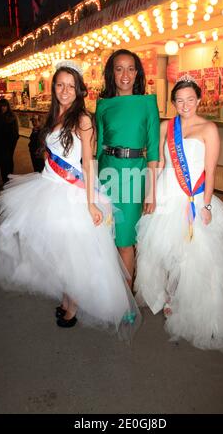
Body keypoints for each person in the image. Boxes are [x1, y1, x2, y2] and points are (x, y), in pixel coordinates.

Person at [0, 61, 140, 339]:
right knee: (59, 252)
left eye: (70, 86)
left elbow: (89, 164)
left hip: (72, 193)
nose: (65, 90)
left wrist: (91, 202)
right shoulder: (53, 116)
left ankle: (73, 307)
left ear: (79, 90)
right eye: (60, 85)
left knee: (74, 256)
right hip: (48, 188)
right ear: (54, 87)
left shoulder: (83, 119)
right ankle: (67, 300)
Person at [134, 76, 223, 355]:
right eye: (179, 100)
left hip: (193, 198)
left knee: (194, 256)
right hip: (167, 194)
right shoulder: (165, 127)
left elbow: (211, 171)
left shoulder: (209, 128)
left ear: (198, 99)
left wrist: (205, 205)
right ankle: (170, 296)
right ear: (173, 102)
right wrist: (151, 194)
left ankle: (193, 305)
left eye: (190, 99)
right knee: (163, 251)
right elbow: (156, 163)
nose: (185, 105)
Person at [96, 49, 160, 287]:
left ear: (137, 73)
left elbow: (153, 151)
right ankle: (109, 291)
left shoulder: (147, 103)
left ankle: (125, 299)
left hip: (134, 175)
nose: (125, 74)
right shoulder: (103, 105)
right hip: (106, 173)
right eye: (119, 68)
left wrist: (151, 191)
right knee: (104, 236)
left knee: (125, 239)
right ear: (111, 73)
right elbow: (97, 149)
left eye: (131, 68)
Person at [0, 98, 19, 183]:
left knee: (9, 158)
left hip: (10, 141)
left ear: (7, 106)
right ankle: (5, 177)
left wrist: (13, 140)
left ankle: (10, 176)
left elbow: (15, 130)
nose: (3, 108)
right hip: (1, 141)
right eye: (1, 106)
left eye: (4, 106)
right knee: (4, 159)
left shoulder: (11, 116)